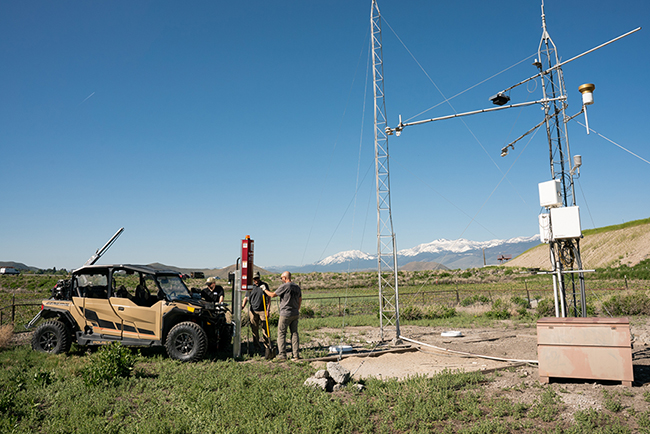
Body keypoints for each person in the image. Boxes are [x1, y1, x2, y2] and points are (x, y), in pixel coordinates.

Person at [263, 271, 301, 361]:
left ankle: (282, 355)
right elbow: (300, 299)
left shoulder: (285, 286)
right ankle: (296, 355)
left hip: (285, 314)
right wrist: (297, 309)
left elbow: (272, 295)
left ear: (285, 278)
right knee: (294, 333)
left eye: (281, 278)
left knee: (281, 334)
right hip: (295, 313)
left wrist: (264, 289)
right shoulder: (297, 287)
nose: (281, 279)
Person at [242, 272, 273, 357]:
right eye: (254, 279)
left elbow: (269, 297)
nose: (256, 280)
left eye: (257, 278)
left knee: (265, 329)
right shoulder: (250, 287)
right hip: (253, 310)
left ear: (259, 278)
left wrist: (268, 309)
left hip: (263, 310)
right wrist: (243, 305)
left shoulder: (264, 285)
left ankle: (267, 347)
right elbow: (246, 297)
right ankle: (257, 347)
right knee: (254, 329)